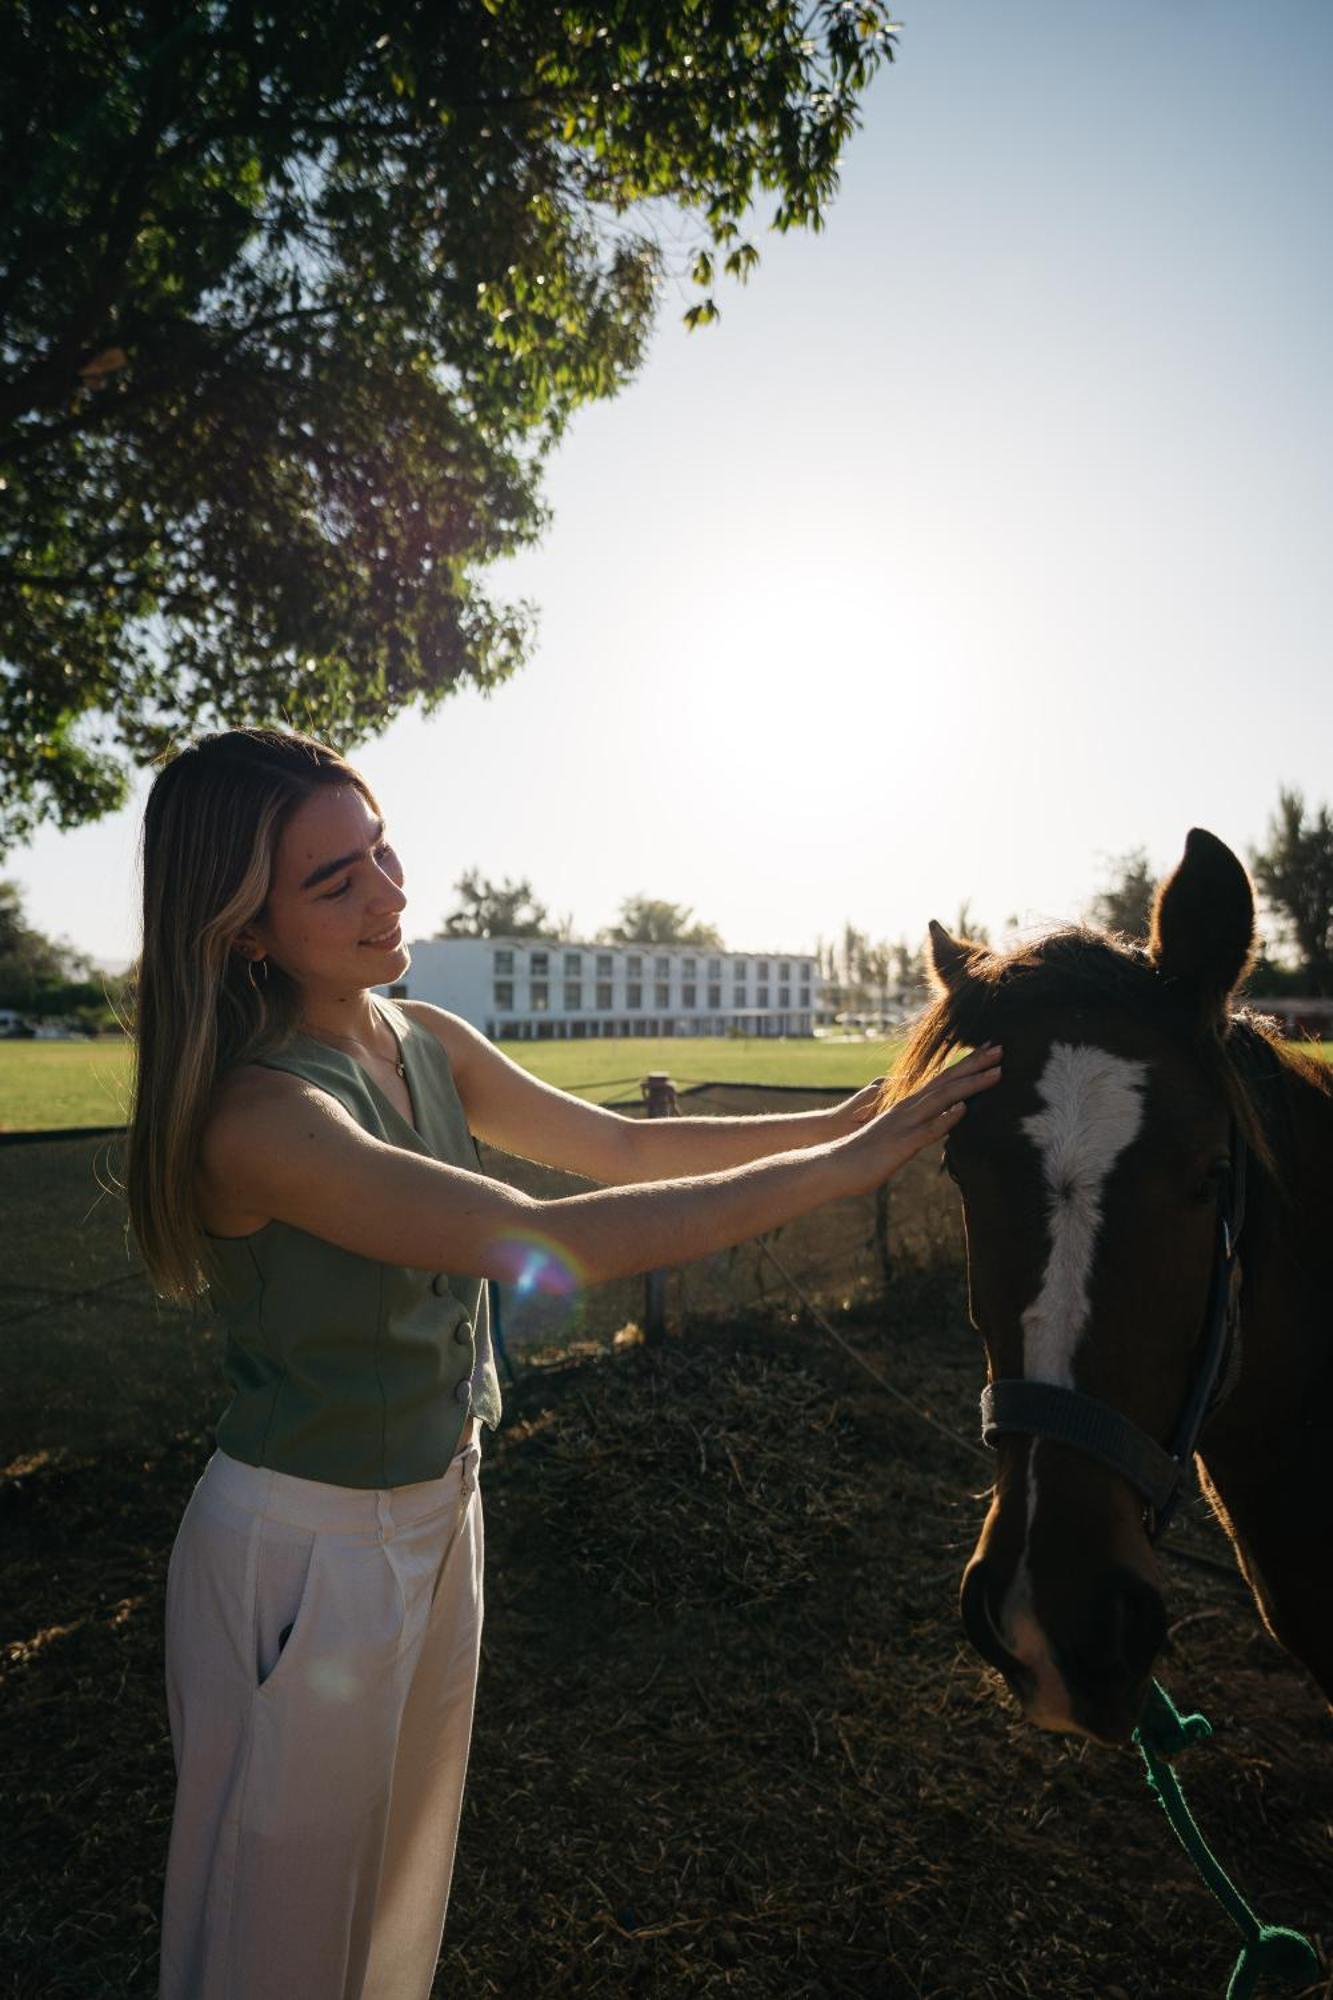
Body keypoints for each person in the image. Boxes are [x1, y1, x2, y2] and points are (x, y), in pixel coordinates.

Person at [127, 725, 1001, 2000]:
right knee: (280, 1929)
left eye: (379, 849)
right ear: (244, 928)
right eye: (336, 881)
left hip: (440, 1513)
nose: (389, 891)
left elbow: (618, 1150)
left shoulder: (417, 1033)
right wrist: (831, 1174)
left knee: (389, 1911)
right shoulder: (265, 1118)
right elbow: (548, 1239)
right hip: (304, 1557)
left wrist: (850, 1114)